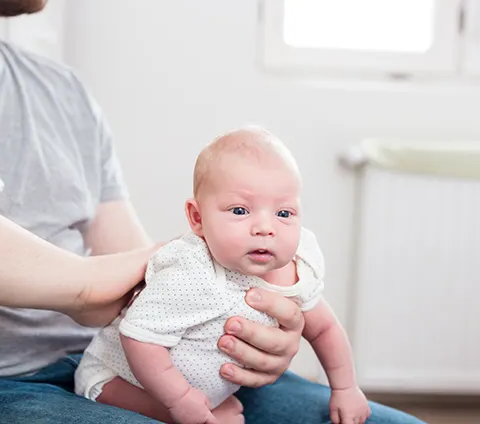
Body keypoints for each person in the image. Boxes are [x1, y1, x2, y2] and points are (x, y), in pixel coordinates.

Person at [0, 0, 425, 423]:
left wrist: (260, 344)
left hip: (113, 357)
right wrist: (82, 286)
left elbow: (132, 272)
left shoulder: (62, 91)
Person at [77, 127, 372, 424]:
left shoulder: (297, 269)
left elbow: (324, 329)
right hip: (116, 380)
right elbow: (138, 337)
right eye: (241, 210)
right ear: (197, 218)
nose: (265, 228)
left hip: (213, 387)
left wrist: (345, 388)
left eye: (283, 214)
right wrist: (180, 399)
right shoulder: (191, 272)